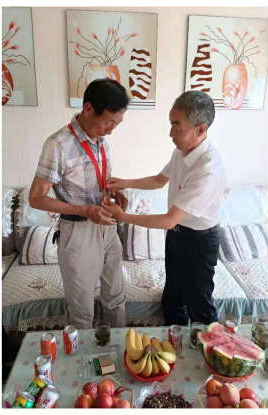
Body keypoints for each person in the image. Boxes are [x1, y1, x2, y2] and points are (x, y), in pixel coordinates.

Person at [102, 90, 226, 326]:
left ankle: (211, 346)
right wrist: (126, 183)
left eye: (177, 126)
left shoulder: (207, 169)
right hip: (177, 235)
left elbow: (169, 219)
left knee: (199, 305)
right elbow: (159, 180)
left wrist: (123, 216)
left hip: (199, 242)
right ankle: (174, 343)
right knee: (172, 298)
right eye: (171, 124)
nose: (171, 133)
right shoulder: (181, 151)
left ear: (200, 129)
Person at [28, 78, 129, 329]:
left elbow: (96, 180)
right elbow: (36, 198)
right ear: (88, 109)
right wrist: (83, 209)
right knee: (82, 311)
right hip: (78, 232)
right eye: (109, 122)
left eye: (117, 124)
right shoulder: (58, 145)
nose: (111, 130)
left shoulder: (101, 140)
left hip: (107, 226)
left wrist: (114, 193)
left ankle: (120, 349)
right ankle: (83, 354)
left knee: (116, 299)